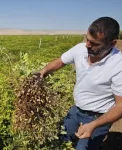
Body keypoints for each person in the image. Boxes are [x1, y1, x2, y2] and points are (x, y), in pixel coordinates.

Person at [37, 17, 122, 149]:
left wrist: (94, 125)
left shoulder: (118, 65)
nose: (87, 44)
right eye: (87, 39)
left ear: (112, 43)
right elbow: (60, 61)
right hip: (76, 110)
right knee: (62, 140)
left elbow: (120, 106)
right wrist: (43, 72)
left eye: (94, 43)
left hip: (98, 118)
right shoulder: (80, 49)